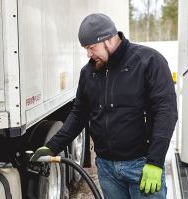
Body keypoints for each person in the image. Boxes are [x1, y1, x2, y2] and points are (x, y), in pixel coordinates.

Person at [31, 13, 178, 199]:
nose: (88, 54)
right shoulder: (89, 72)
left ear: (108, 40)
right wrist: (52, 146)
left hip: (141, 166)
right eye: (86, 49)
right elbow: (78, 115)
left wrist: (155, 162)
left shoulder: (148, 61)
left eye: (91, 48)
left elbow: (166, 113)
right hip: (107, 169)